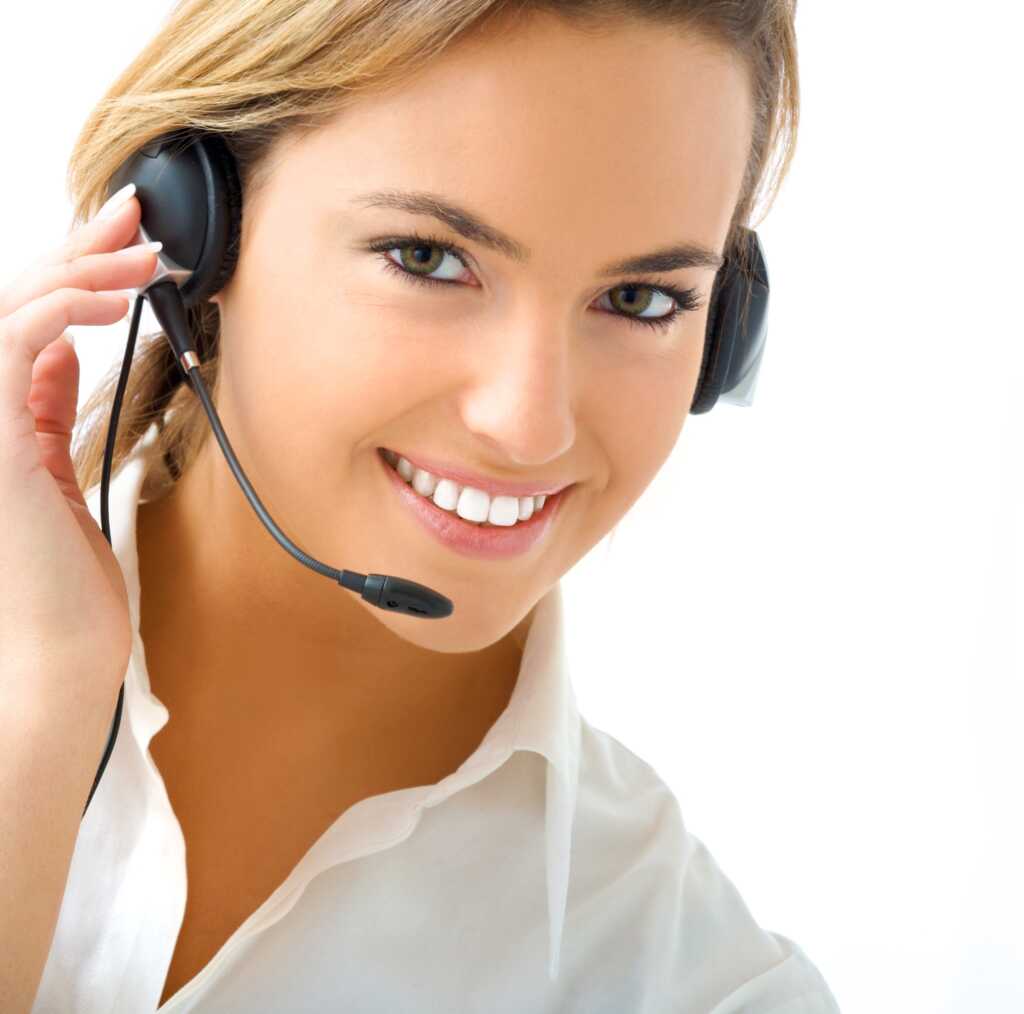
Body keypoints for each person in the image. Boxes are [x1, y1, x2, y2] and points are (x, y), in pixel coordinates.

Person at [0, 0, 839, 1010]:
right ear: (187, 234)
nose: (531, 428)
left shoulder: (698, 981)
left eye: (640, 300)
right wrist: (38, 708)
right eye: (428, 258)